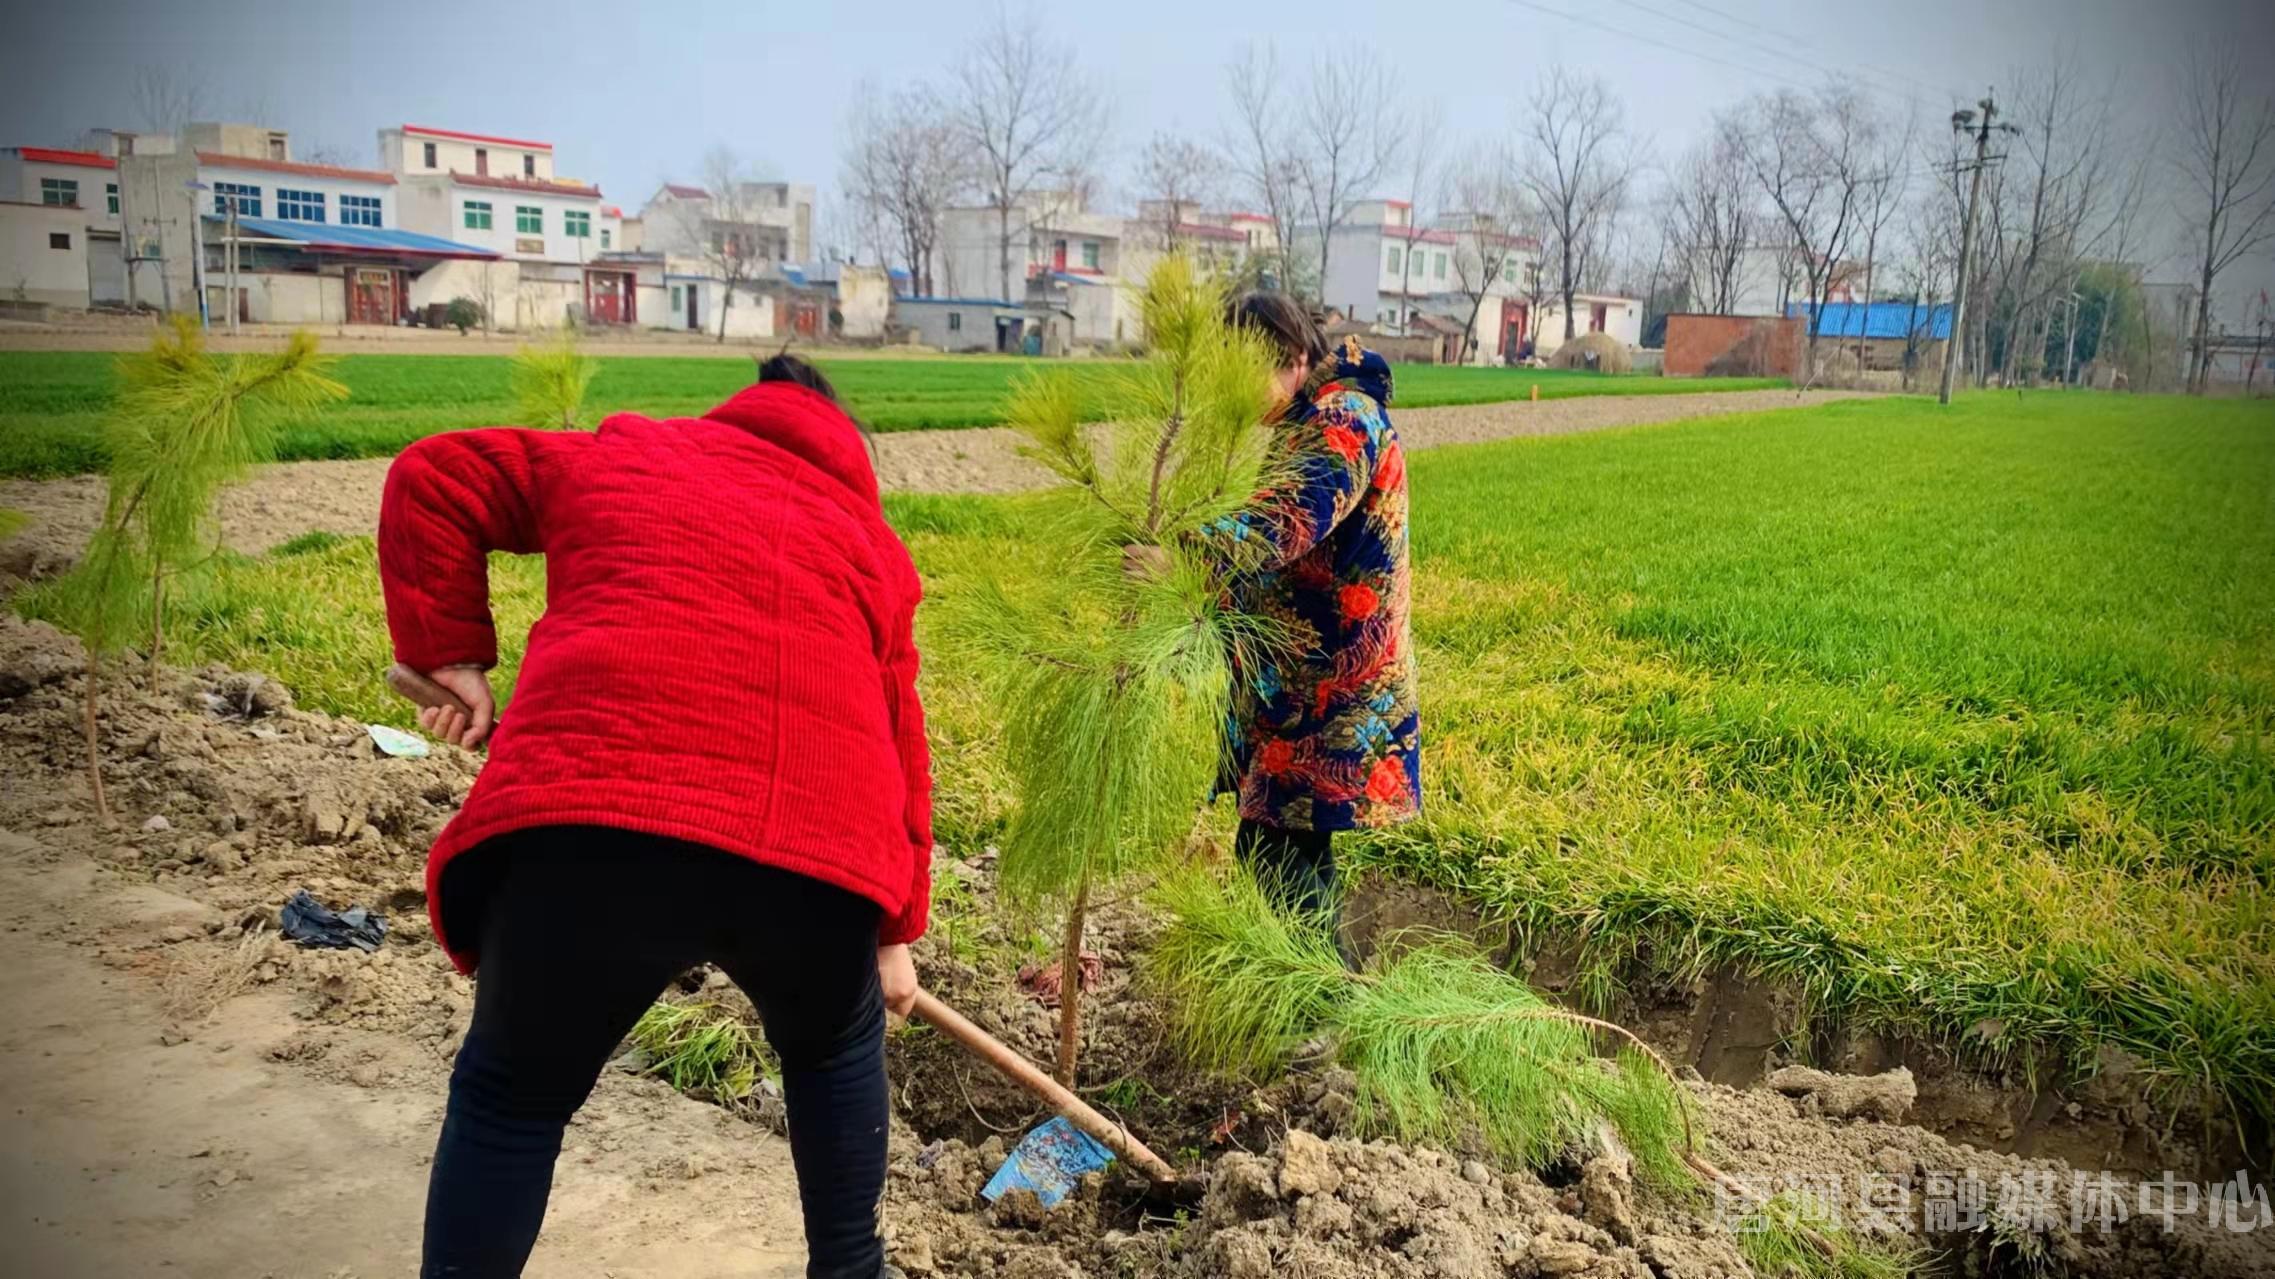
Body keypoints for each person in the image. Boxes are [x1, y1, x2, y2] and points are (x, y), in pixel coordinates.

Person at [378, 354, 929, 1279]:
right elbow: (900, 739)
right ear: (847, 448)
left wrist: (451, 655)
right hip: (807, 855)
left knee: (512, 1098)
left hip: (590, 828)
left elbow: (435, 474)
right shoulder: (868, 542)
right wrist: (892, 934)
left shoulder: (626, 453)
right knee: (834, 1051)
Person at [1188, 294, 1421, 935]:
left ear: (1293, 359)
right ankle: (1317, 1011)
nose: (1230, 396)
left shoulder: (1344, 420)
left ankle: (1314, 1023)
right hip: (1297, 694)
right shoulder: (1306, 418)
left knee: (1283, 871)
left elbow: (1279, 526)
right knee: (1282, 860)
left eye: (1241, 375)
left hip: (1331, 695)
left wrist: (1178, 555)